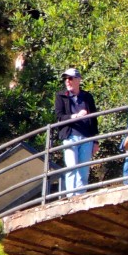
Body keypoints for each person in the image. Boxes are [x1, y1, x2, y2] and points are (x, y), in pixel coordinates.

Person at [54, 67, 99, 197]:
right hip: (70, 136)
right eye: (65, 79)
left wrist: (95, 140)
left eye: (70, 78)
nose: (67, 81)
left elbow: (94, 119)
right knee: (72, 167)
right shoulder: (61, 96)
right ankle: (71, 196)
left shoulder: (87, 97)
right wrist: (75, 116)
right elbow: (59, 117)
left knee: (84, 170)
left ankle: (80, 196)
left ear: (78, 80)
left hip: (86, 138)